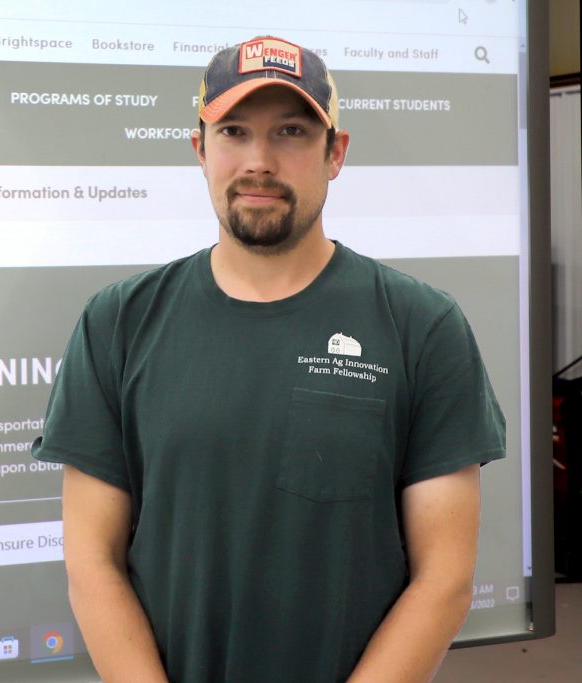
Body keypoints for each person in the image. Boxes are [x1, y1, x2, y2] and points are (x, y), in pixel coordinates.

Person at [31, 35, 506, 683]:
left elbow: (444, 579)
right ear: (200, 150)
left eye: (290, 131)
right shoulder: (117, 322)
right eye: (233, 131)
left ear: (334, 152)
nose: (258, 161)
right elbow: (92, 561)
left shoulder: (422, 325)